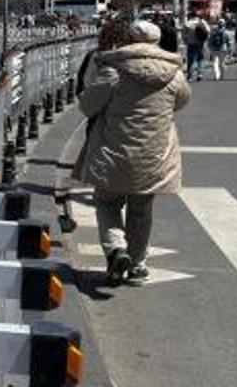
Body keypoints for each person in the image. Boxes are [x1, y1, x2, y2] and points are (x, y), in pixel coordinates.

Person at [73, 20, 191, 286]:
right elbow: (182, 101)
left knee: (107, 202)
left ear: (128, 39)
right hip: (154, 154)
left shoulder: (114, 69)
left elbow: (88, 106)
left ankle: (116, 250)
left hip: (114, 150)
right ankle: (138, 265)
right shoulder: (173, 72)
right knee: (142, 208)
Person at [184, 16, 209, 81]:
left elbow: (184, 35)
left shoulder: (188, 24)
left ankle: (190, 76)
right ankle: (199, 74)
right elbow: (208, 31)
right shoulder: (202, 22)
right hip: (200, 44)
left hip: (191, 43)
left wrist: (186, 41)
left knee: (190, 60)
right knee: (200, 59)